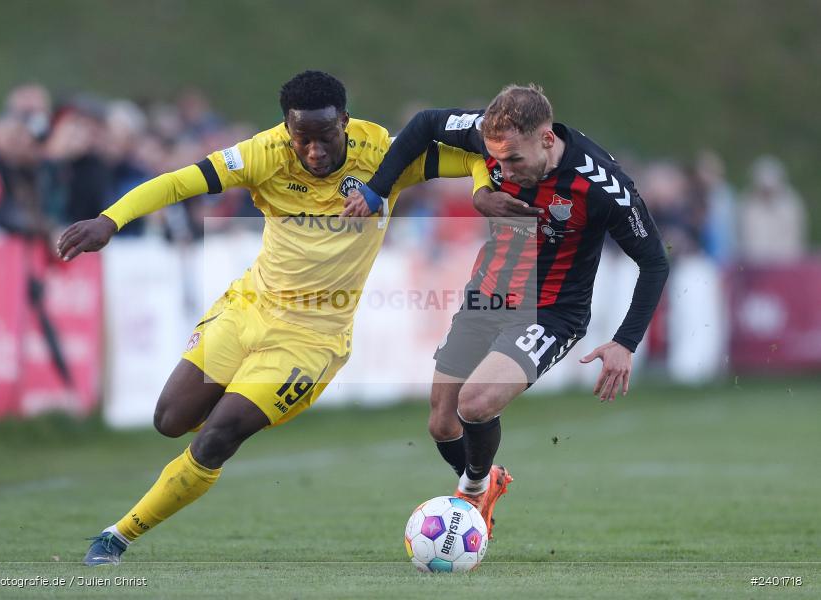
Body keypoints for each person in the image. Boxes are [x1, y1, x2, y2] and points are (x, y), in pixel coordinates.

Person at [57, 71, 491, 565]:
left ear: (344, 122)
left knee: (217, 436)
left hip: (312, 339)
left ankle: (116, 537)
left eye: (324, 137)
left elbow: (478, 157)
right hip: (248, 309)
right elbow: (180, 181)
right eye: (300, 138)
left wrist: (481, 191)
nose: (312, 151)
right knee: (169, 419)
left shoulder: (384, 155)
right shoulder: (264, 153)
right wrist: (109, 219)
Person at [350, 84, 670, 538]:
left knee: (475, 404)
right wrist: (377, 191)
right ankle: (486, 480)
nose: (502, 170)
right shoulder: (492, 134)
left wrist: (625, 342)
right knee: (442, 423)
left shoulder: (601, 185)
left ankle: (471, 495)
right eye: (495, 160)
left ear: (545, 139)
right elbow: (423, 125)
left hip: (552, 311)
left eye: (513, 162)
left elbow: (655, 261)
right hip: (488, 294)